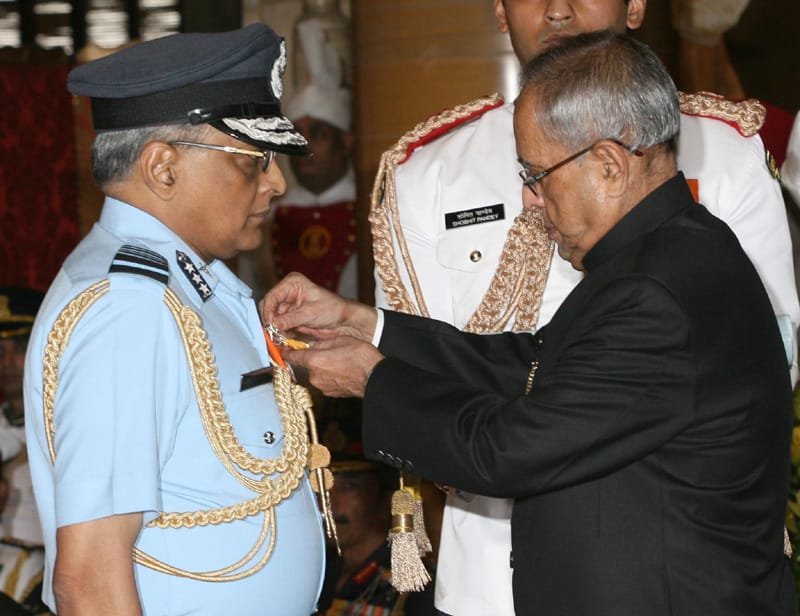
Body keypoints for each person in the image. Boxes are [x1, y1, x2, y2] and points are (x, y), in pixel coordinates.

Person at [262, 31, 796, 615]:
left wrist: (374, 380)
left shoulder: (654, 289)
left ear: (611, 167)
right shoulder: (668, 253)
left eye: (538, 175)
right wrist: (369, 327)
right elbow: (536, 364)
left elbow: (506, 451)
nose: (530, 201)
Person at [23, 24, 327, 615]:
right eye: (253, 161)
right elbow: (88, 578)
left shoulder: (190, 282)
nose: (276, 183)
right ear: (163, 168)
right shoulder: (127, 306)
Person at [316, 402, 435, 615]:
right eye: (322, 488)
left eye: (349, 487)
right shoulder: (316, 573)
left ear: (387, 500)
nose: (328, 503)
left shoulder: (414, 584)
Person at [0, 287, 46, 615]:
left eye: (20, 347)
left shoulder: (73, 427)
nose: (9, 363)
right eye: (0, 351)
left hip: (47, 584)